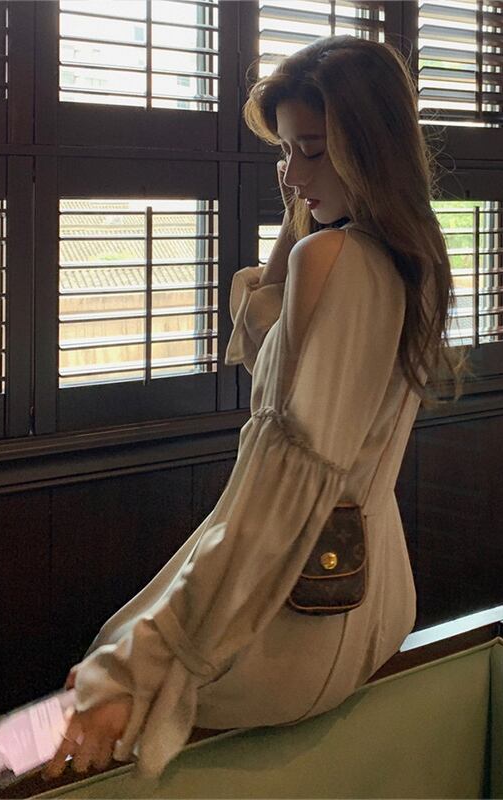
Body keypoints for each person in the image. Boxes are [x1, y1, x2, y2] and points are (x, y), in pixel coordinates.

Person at [44, 34, 465, 783]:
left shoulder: (334, 261)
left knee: (63, 715)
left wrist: (145, 657)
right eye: (285, 153)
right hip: (376, 603)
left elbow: (275, 499)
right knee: (106, 675)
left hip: (296, 622)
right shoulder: (416, 261)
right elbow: (267, 329)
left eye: (313, 151)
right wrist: (305, 207)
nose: (292, 174)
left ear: (370, 151)